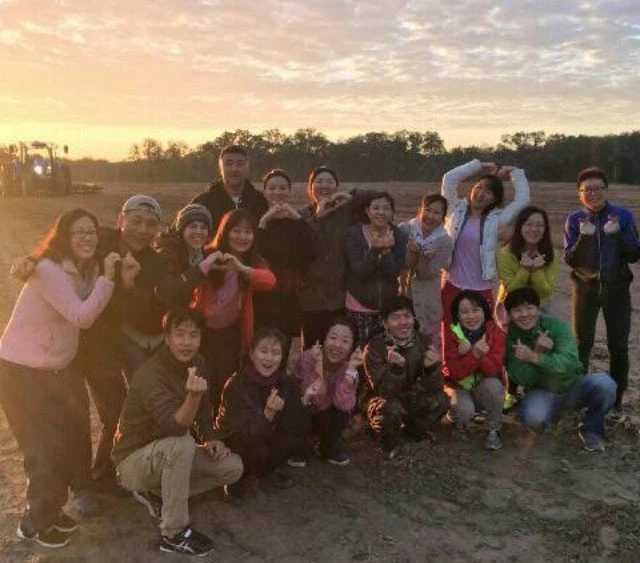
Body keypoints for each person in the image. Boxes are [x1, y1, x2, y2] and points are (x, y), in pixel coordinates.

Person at [0, 208, 118, 548]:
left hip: (54, 371)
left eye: (91, 232)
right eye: (78, 232)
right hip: (22, 372)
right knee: (44, 450)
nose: (86, 238)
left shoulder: (82, 270)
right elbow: (81, 317)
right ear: (63, 237)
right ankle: (38, 522)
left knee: (61, 444)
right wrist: (108, 278)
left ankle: (43, 512)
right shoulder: (50, 270)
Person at [112, 308, 243, 556]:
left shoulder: (199, 362)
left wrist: (211, 439)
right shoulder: (150, 373)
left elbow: (204, 412)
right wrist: (193, 396)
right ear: (167, 338)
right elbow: (176, 425)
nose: (187, 342)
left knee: (232, 467)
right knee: (181, 442)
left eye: (194, 335)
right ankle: (173, 533)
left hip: (169, 454)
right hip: (133, 461)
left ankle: (160, 494)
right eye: (180, 334)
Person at [564, 167, 640, 415]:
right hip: (584, 289)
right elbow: (571, 260)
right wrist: (584, 238)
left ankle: (615, 401)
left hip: (616, 289)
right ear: (579, 193)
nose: (593, 193)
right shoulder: (574, 220)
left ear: (606, 190)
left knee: (618, 345)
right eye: (587, 189)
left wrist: (618, 235)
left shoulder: (623, 216)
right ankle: (578, 396)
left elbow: (634, 254)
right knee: (581, 344)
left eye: (598, 188)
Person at [504, 287, 617, 452]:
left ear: (538, 309)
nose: (524, 314)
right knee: (532, 416)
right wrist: (538, 351)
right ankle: (554, 417)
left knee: (606, 385)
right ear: (510, 314)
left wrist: (536, 358)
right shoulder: (511, 337)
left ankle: (591, 429)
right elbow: (521, 378)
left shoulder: (557, 327)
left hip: (573, 385)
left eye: (529, 308)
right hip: (542, 391)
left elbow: (571, 364)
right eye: (517, 310)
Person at [191, 208, 276, 411]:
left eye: (248, 232)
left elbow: (270, 281)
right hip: (201, 332)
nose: (242, 237)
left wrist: (242, 268)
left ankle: (219, 431)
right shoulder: (209, 255)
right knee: (200, 384)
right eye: (236, 230)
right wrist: (206, 266)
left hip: (230, 333)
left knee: (223, 384)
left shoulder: (253, 263)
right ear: (225, 231)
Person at [216, 328, 309, 493]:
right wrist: (267, 414)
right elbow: (239, 430)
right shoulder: (237, 384)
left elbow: (296, 426)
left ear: (281, 358)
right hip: (236, 441)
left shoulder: (285, 382)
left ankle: (266, 471)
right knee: (254, 446)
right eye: (263, 351)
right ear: (251, 354)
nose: (269, 358)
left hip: (266, 437)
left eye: (275, 353)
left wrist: (306, 400)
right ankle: (237, 478)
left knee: (292, 440)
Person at [440, 160, 530, 325]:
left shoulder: (497, 220)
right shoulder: (454, 210)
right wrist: (479, 166)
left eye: (488, 192)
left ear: (494, 199)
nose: (481, 194)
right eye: (479, 187)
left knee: (481, 336)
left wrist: (515, 173)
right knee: (451, 332)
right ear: (471, 189)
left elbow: (522, 201)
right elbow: (449, 179)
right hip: (451, 283)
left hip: (481, 287)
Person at [364, 296, 449, 454]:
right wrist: (396, 369)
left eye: (407, 316)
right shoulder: (375, 347)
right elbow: (383, 391)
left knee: (441, 400)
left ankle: (415, 430)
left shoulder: (422, 341)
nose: (403, 322)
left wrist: (432, 369)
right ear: (385, 323)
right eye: (396, 318)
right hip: (383, 399)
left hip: (412, 395)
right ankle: (387, 439)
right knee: (390, 408)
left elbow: (436, 386)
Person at [298, 166, 372, 348]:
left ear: (337, 187)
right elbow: (304, 247)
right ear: (310, 188)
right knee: (311, 351)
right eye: (319, 181)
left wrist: (350, 196)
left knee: (337, 347)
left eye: (330, 181)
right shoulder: (302, 215)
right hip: (310, 298)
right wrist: (318, 217)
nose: (324, 185)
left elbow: (376, 196)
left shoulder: (346, 212)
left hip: (338, 297)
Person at [254, 169, 317, 362]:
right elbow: (255, 252)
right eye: (272, 187)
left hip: (289, 296)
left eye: (282, 187)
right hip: (262, 297)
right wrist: (264, 221)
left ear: (289, 191)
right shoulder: (259, 220)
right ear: (265, 191)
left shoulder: (297, 223)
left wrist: (297, 219)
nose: (277, 192)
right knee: (259, 347)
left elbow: (311, 250)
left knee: (281, 349)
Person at [293, 316, 364, 465]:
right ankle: (297, 449)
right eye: (333, 338)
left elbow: (344, 405)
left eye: (345, 341)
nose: (338, 345)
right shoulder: (307, 358)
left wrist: (351, 369)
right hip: (302, 414)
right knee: (301, 408)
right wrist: (319, 364)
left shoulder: (349, 368)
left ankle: (329, 448)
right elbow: (317, 400)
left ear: (352, 347)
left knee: (340, 412)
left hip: (325, 416)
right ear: (323, 339)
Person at [442, 290, 505, 450]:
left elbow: (494, 370)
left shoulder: (495, 332)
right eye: (464, 312)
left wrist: (477, 355)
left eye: (476, 310)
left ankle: (493, 430)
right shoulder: (452, 334)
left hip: (483, 385)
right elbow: (455, 372)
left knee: (495, 387)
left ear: (485, 311)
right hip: (459, 387)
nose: (471, 316)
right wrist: (473, 355)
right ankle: (458, 422)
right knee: (463, 410)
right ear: (457, 315)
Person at [344, 191, 408, 347]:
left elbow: (393, 274)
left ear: (392, 212)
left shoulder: (399, 236)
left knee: (382, 355)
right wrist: (374, 250)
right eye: (376, 208)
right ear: (367, 210)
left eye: (386, 208)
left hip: (386, 310)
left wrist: (386, 252)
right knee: (357, 354)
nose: (381, 212)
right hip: (358, 306)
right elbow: (360, 272)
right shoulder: (354, 235)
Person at [399, 193, 452, 348]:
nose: (430, 216)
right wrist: (414, 254)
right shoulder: (404, 230)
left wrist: (422, 256)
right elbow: (402, 264)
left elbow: (427, 273)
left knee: (428, 344)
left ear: (443, 217)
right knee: (401, 340)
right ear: (420, 210)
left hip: (428, 299)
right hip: (403, 293)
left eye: (436, 213)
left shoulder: (444, 241)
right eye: (427, 210)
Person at [496, 206, 559, 325]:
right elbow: (511, 290)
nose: (534, 229)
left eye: (540, 225)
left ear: (545, 229)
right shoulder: (505, 253)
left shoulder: (552, 255)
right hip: (511, 307)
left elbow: (546, 291)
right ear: (520, 227)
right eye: (529, 224)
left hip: (541, 309)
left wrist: (536, 271)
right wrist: (524, 270)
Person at [190, 144, 268, 234]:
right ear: (220, 169)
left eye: (240, 164)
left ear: (248, 168)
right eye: (228, 164)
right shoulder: (203, 203)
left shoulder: (261, 202)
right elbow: (178, 232)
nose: (234, 169)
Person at [155, 203, 214, 307]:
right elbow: (166, 292)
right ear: (181, 230)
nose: (198, 232)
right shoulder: (167, 253)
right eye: (193, 226)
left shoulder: (203, 255)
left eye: (203, 227)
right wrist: (199, 271)